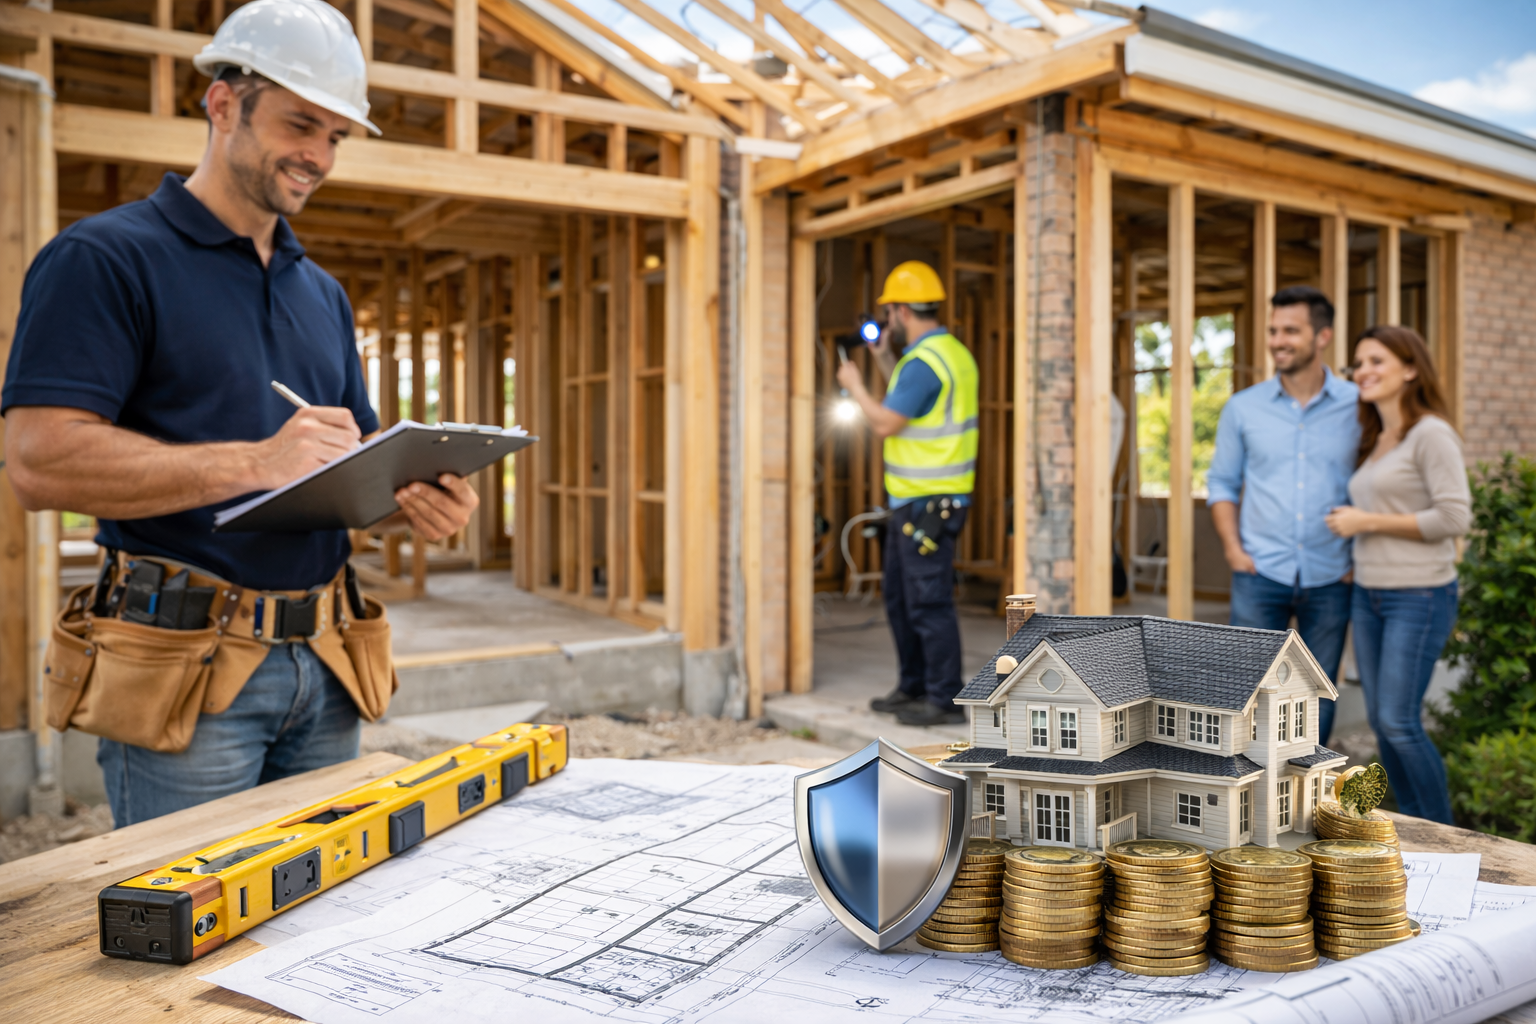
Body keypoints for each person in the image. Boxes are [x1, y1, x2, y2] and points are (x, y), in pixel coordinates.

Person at [1, 0, 477, 826]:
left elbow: (341, 475)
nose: (319, 155)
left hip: (328, 663)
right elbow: (39, 462)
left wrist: (413, 505)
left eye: (336, 135)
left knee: (318, 923)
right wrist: (256, 460)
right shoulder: (106, 259)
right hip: (188, 670)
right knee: (196, 929)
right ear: (223, 104)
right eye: (301, 123)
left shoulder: (321, 295)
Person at [1325, 326, 1468, 824]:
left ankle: (1442, 831)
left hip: (1420, 595)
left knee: (1398, 722)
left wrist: (1367, 522)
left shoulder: (1431, 433)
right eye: (1357, 363)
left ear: (1410, 368)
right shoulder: (1377, 438)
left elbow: (1454, 518)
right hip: (1370, 594)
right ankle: (1414, 829)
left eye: (1375, 361)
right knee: (1387, 729)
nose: (1362, 371)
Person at [1207, 286, 1359, 746]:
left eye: (1291, 330)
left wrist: (1359, 556)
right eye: (1273, 330)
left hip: (1333, 574)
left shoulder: (1358, 406)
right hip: (1259, 570)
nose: (1278, 340)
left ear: (1323, 336)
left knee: (1319, 691)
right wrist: (1234, 550)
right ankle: (1251, 793)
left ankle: (1311, 792)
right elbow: (1222, 484)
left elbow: (1377, 483)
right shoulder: (1243, 407)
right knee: (1248, 690)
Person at [836, 262, 979, 727]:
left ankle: (943, 696)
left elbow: (885, 423)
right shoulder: (943, 354)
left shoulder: (924, 363)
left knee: (927, 599)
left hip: (928, 502)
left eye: (889, 312)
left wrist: (856, 385)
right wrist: (880, 360)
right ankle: (913, 685)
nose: (888, 321)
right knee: (901, 598)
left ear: (900, 309)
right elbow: (912, 402)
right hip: (917, 502)